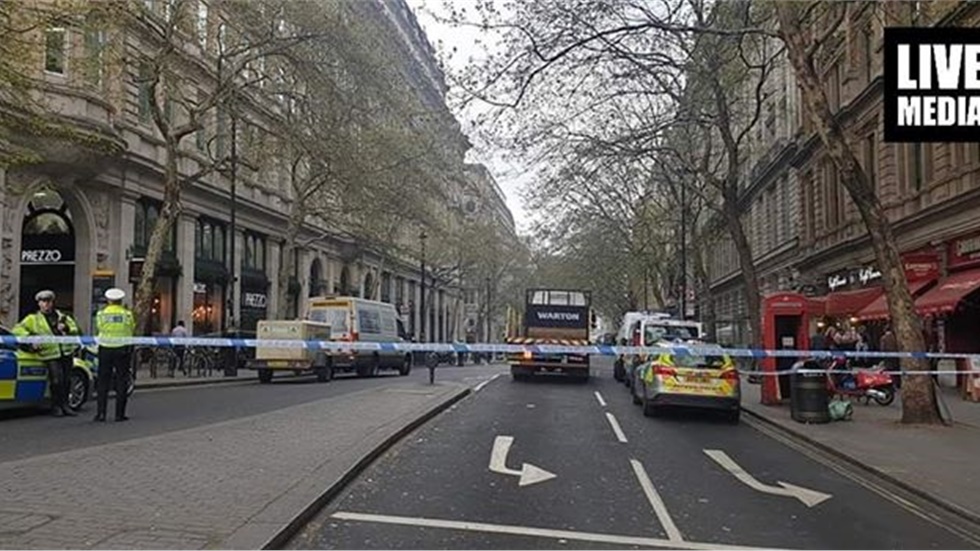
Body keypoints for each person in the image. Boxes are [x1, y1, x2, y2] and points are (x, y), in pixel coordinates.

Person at [12, 290, 80, 416]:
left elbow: (75, 329)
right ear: (39, 304)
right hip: (49, 354)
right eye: (43, 302)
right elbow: (17, 330)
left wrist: (66, 328)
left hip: (66, 352)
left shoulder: (62, 316)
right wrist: (30, 338)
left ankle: (65, 406)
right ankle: (56, 406)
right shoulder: (33, 319)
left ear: (52, 302)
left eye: (48, 302)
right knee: (56, 380)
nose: (46, 304)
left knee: (66, 380)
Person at [95, 288, 136, 422]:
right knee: (121, 381)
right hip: (122, 349)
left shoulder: (101, 314)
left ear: (108, 300)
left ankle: (101, 414)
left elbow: (99, 328)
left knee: (103, 382)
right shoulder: (127, 314)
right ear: (120, 300)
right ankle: (119, 414)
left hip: (105, 348)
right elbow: (131, 328)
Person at [880, 326, 900, 390]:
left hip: (888, 355)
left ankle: (892, 383)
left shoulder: (883, 338)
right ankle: (898, 383)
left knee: (890, 369)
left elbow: (882, 348)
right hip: (896, 355)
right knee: (896, 369)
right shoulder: (895, 337)